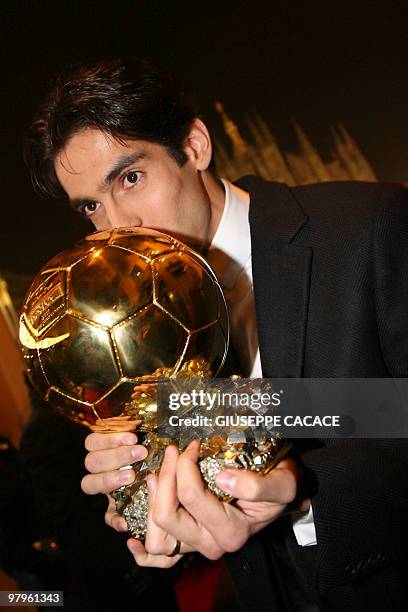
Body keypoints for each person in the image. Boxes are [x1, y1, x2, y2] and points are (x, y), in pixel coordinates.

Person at [25, 58, 408, 611]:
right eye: (91, 206)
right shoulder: (129, 325)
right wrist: (145, 498)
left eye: (130, 178)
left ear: (196, 145)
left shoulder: (370, 228)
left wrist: (300, 493)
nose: (115, 228)